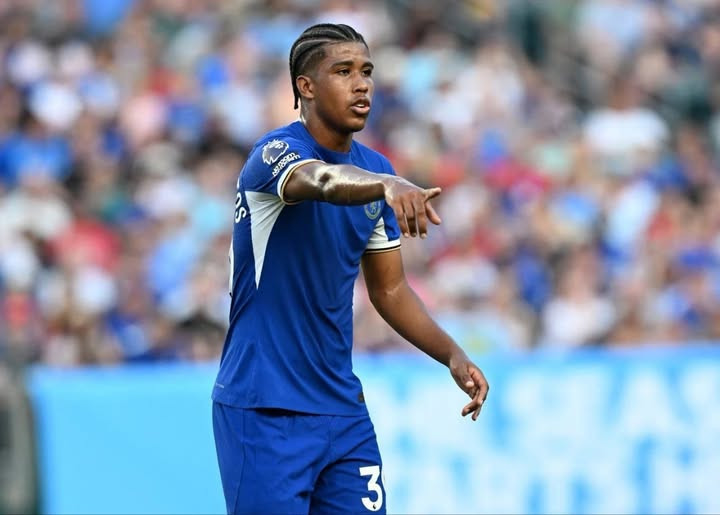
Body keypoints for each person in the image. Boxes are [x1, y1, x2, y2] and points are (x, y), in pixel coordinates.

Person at [212, 23, 489, 514]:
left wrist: (451, 354)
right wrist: (385, 184)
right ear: (305, 86)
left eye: (366, 72)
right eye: (343, 72)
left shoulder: (375, 169)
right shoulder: (274, 155)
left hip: (342, 412)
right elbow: (322, 180)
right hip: (265, 405)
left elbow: (390, 291)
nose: (361, 85)